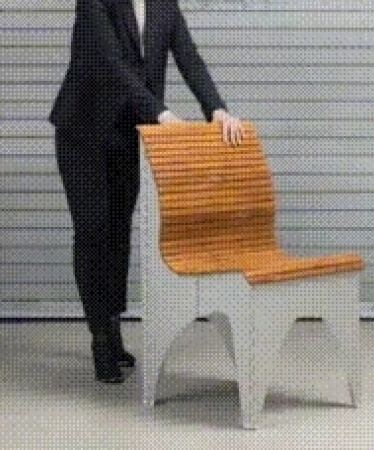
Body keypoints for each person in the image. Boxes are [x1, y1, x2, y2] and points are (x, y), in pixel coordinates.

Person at [49, 0, 244, 383]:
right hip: (83, 130)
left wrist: (216, 109)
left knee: (119, 231)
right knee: (93, 231)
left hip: (128, 133)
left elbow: (189, 57)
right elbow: (111, 65)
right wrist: (162, 114)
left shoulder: (164, 5)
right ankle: (100, 338)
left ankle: (112, 324)